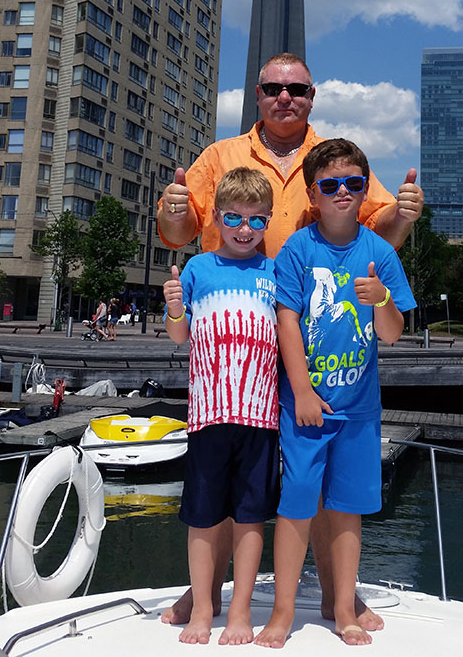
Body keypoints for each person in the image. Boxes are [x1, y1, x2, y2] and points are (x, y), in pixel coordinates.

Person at [158, 52, 424, 631]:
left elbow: (377, 234)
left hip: (317, 338)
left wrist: (403, 217)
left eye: (297, 89)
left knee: (323, 478)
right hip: (242, 339)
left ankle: (339, 596)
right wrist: (175, 210)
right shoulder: (219, 156)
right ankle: (204, 596)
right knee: (232, 470)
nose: (286, 98)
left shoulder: (333, 157)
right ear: (257, 94)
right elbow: (180, 234)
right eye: (275, 88)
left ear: (312, 96)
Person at [255, 138, 416, 648]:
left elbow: (391, 332)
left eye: (353, 184)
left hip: (360, 410)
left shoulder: (379, 252)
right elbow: (286, 323)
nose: (342, 192)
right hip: (305, 408)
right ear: (313, 192)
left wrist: (383, 298)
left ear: (365, 189)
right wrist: (300, 390)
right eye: (330, 185)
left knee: (347, 509)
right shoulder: (298, 250)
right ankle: (282, 612)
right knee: (296, 506)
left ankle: (342, 607)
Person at [163, 167, 279, 646]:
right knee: (203, 518)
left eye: (256, 219)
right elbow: (180, 335)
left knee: (251, 518)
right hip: (207, 414)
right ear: (216, 217)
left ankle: (240, 609)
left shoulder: (277, 270)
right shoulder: (197, 269)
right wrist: (173, 307)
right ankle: (203, 607)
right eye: (234, 217)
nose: (245, 228)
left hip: (261, 417)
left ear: (269, 220)